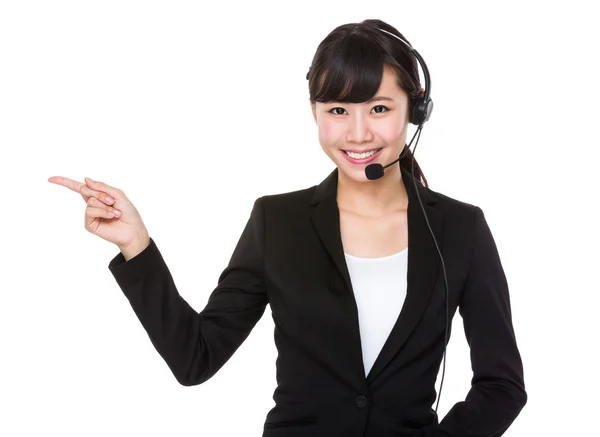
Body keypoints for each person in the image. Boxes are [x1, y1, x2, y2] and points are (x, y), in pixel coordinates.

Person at [48, 18, 526, 437]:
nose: (358, 134)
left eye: (379, 108)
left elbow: (502, 387)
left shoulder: (461, 229)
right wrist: (137, 245)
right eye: (338, 110)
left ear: (415, 111)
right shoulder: (276, 222)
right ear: (315, 113)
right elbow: (195, 358)